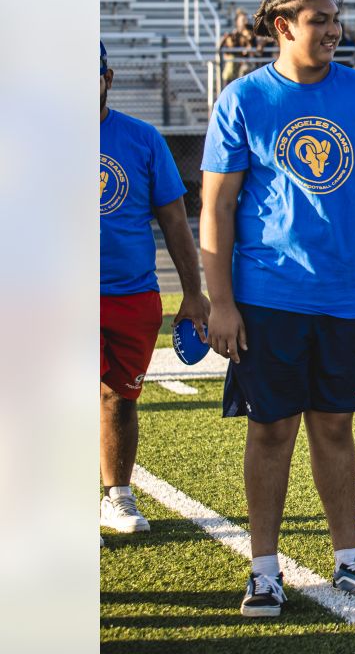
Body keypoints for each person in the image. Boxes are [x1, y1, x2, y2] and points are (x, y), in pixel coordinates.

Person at [201, 0, 355, 618]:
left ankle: (349, 560)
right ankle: (263, 570)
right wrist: (220, 300)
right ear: (283, 27)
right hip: (268, 296)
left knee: (335, 426)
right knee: (270, 431)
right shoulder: (244, 99)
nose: (331, 30)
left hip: (351, 295)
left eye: (334, 19)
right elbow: (216, 205)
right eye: (318, 20)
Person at [99, 42, 210, 539]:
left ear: (108, 76)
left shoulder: (142, 138)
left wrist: (193, 292)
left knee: (119, 399)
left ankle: (117, 496)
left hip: (131, 294)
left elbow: (174, 221)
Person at [219, 9, 263, 85]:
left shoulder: (251, 32)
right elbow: (227, 51)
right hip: (235, 66)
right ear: (237, 21)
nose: (245, 21)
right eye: (243, 19)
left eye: (245, 19)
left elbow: (256, 46)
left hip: (248, 65)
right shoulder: (234, 35)